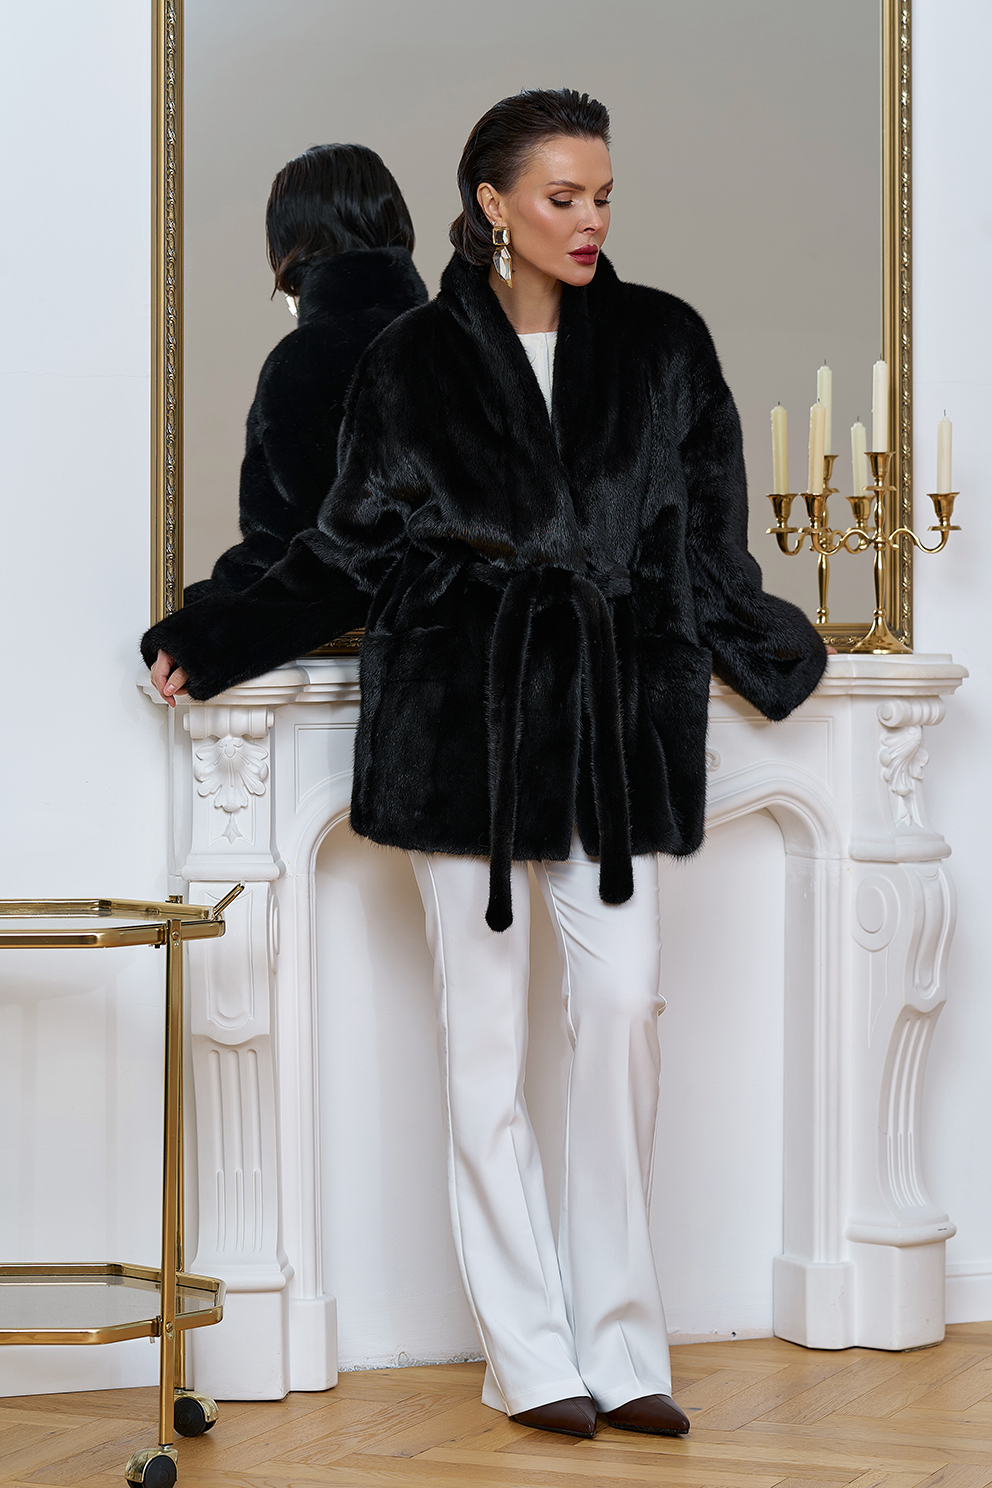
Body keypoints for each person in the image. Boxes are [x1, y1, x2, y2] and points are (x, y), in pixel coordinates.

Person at [143, 89, 828, 1439]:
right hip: (463, 716)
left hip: (615, 728)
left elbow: (707, 543)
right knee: (485, 1044)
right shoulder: (411, 360)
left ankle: (622, 1343)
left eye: (604, 196)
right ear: (491, 205)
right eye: (563, 197)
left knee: (623, 1012)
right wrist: (214, 637)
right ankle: (529, 1354)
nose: (590, 219)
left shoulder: (663, 343)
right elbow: (341, 550)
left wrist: (767, 650)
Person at [185, 143, 427, 604]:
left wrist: (197, 613)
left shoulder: (302, 362)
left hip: (343, 638)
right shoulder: (464, 341)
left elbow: (284, 545)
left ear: (288, 241)